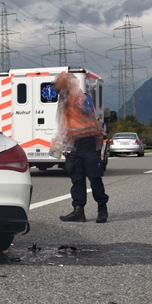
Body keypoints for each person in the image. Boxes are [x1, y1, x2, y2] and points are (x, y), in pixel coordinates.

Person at [53, 72, 109, 223]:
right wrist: (62, 144)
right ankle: (79, 211)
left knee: (94, 177)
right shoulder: (63, 101)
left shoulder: (81, 97)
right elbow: (64, 124)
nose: (59, 92)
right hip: (74, 144)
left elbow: (89, 118)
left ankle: (102, 208)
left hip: (88, 142)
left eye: (61, 88)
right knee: (76, 178)